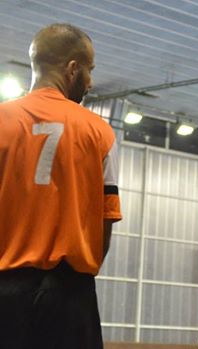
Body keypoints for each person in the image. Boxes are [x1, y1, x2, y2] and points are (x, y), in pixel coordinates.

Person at [0, 23, 121, 349]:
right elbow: (106, 221)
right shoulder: (101, 133)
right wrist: (83, 276)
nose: (91, 81)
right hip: (70, 295)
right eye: (89, 70)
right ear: (72, 69)